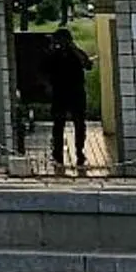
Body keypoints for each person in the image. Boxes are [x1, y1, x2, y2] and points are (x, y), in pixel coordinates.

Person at [42, 27, 92, 174]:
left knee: (79, 124)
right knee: (58, 124)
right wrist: (48, 86)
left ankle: (79, 152)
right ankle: (57, 154)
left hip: (76, 92)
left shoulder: (76, 53)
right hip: (60, 93)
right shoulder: (54, 54)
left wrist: (74, 49)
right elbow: (43, 70)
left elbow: (87, 65)